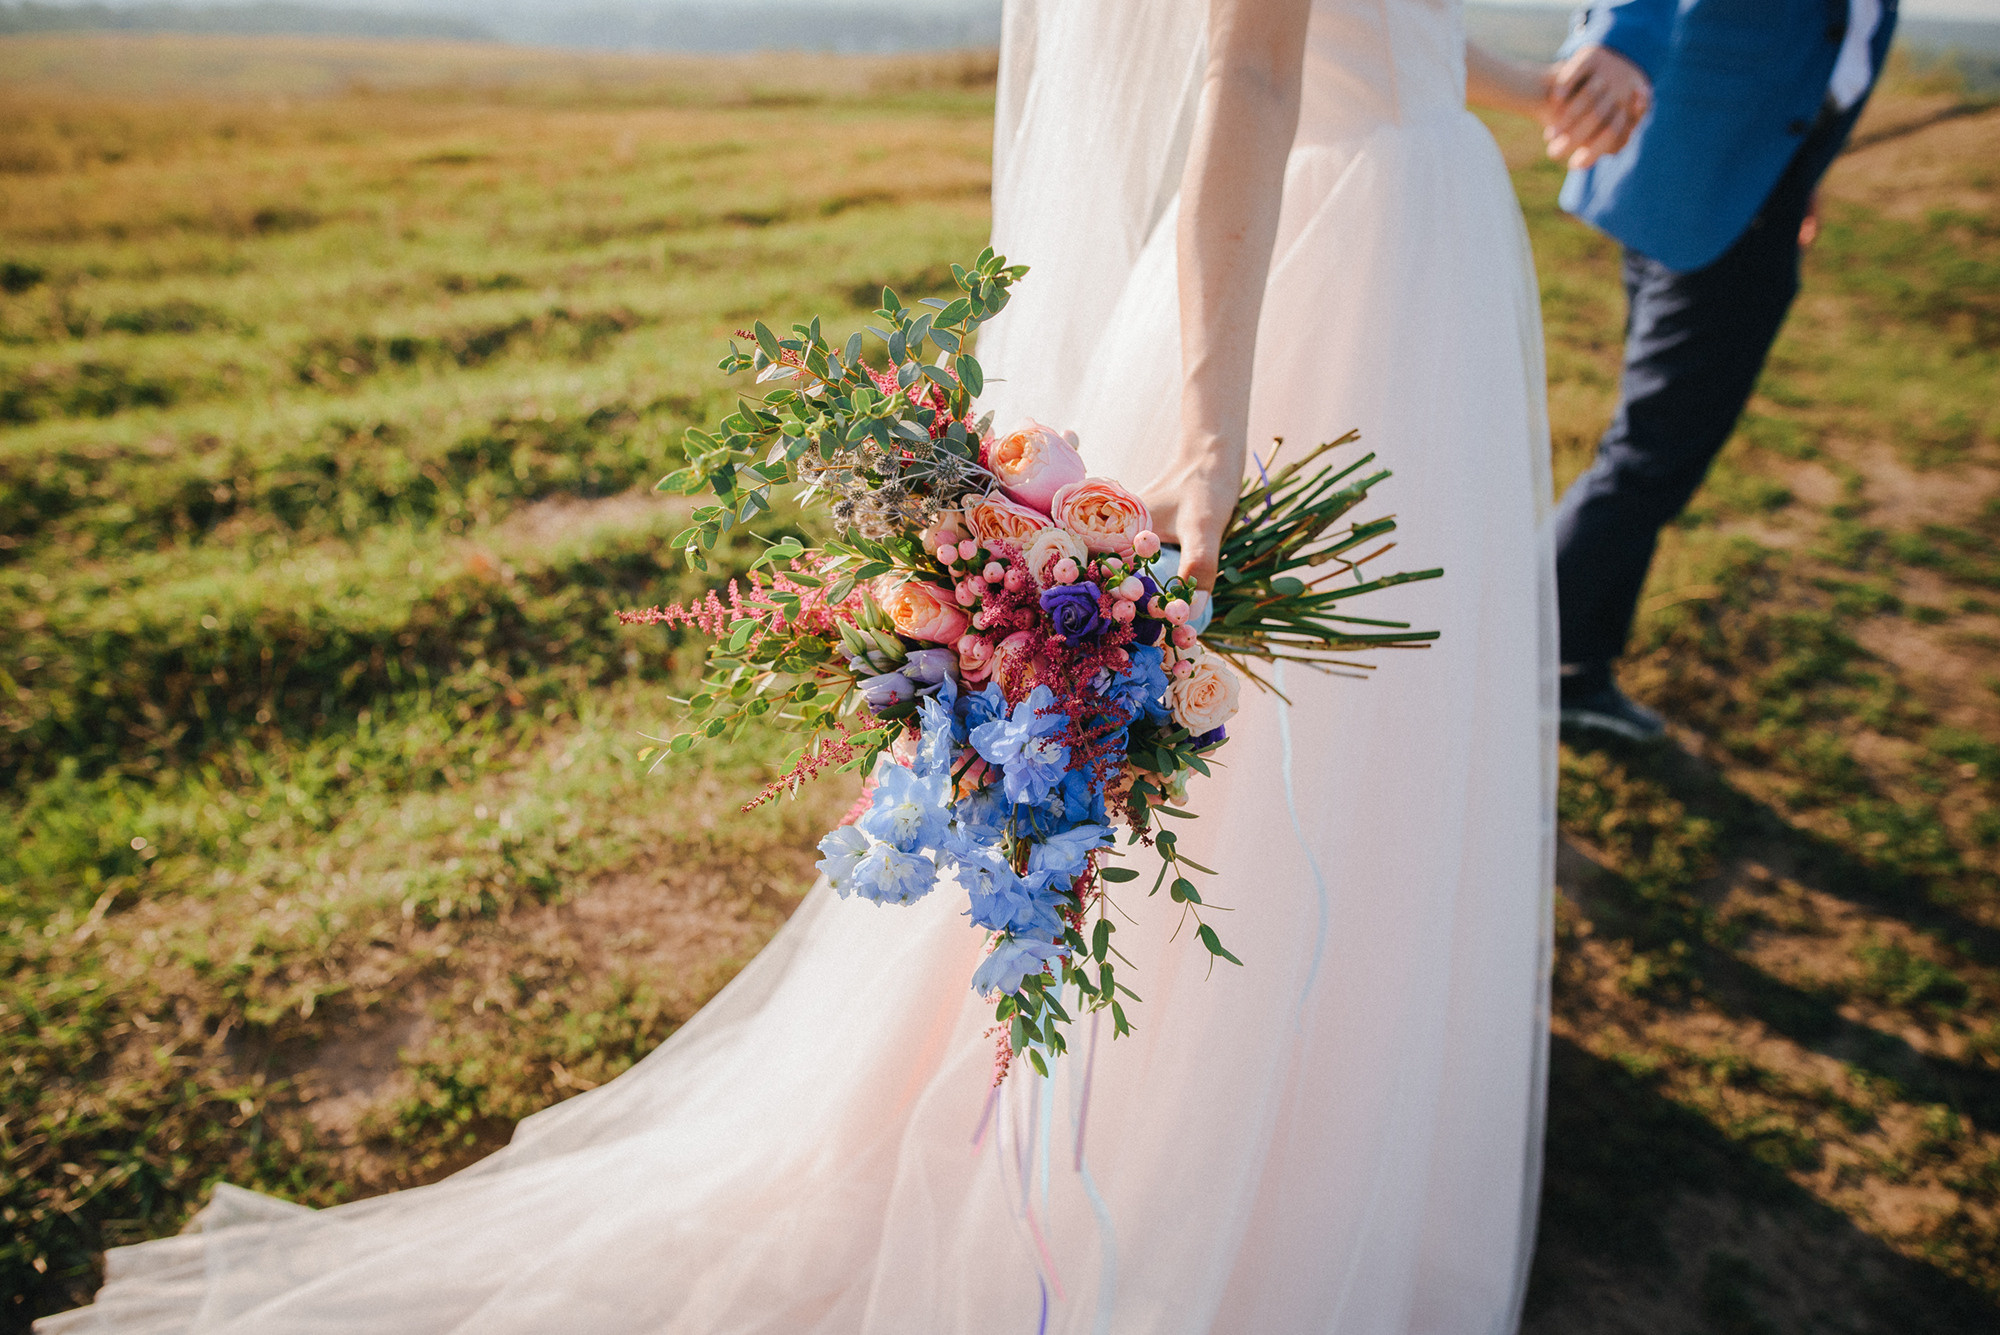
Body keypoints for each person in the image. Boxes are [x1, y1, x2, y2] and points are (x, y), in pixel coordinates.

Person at [45, 4, 1598, 1332]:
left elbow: (1362, 33)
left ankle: (1345, 1098)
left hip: (1407, 253)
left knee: (1380, 764)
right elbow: (1248, 75)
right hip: (1315, 295)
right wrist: (1208, 432)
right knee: (1273, 767)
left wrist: (1541, 85)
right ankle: (1199, 1166)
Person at [1548, 0, 1899, 741]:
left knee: (1644, 452)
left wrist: (1794, 163)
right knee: (1649, 460)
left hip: (1745, 166)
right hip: (1712, 189)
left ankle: (1572, 665)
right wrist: (1620, 39)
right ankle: (1513, 662)